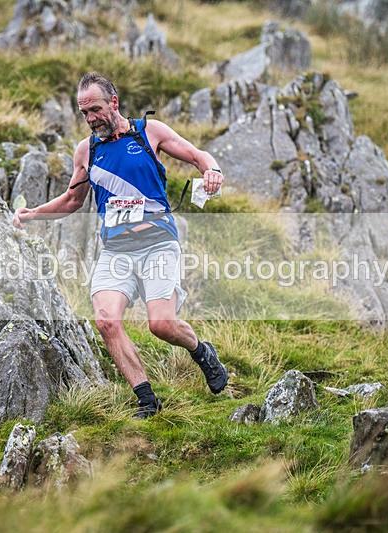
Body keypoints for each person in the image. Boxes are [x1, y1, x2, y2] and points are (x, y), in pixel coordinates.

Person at [12, 72, 228, 418]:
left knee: (161, 325)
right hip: (116, 251)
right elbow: (72, 201)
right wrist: (33, 213)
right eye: (84, 113)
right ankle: (147, 400)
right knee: (106, 321)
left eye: (95, 109)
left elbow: (195, 154)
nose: (91, 118)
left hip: (157, 243)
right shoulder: (87, 150)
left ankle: (201, 351)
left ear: (114, 102)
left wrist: (212, 170)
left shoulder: (148, 132)